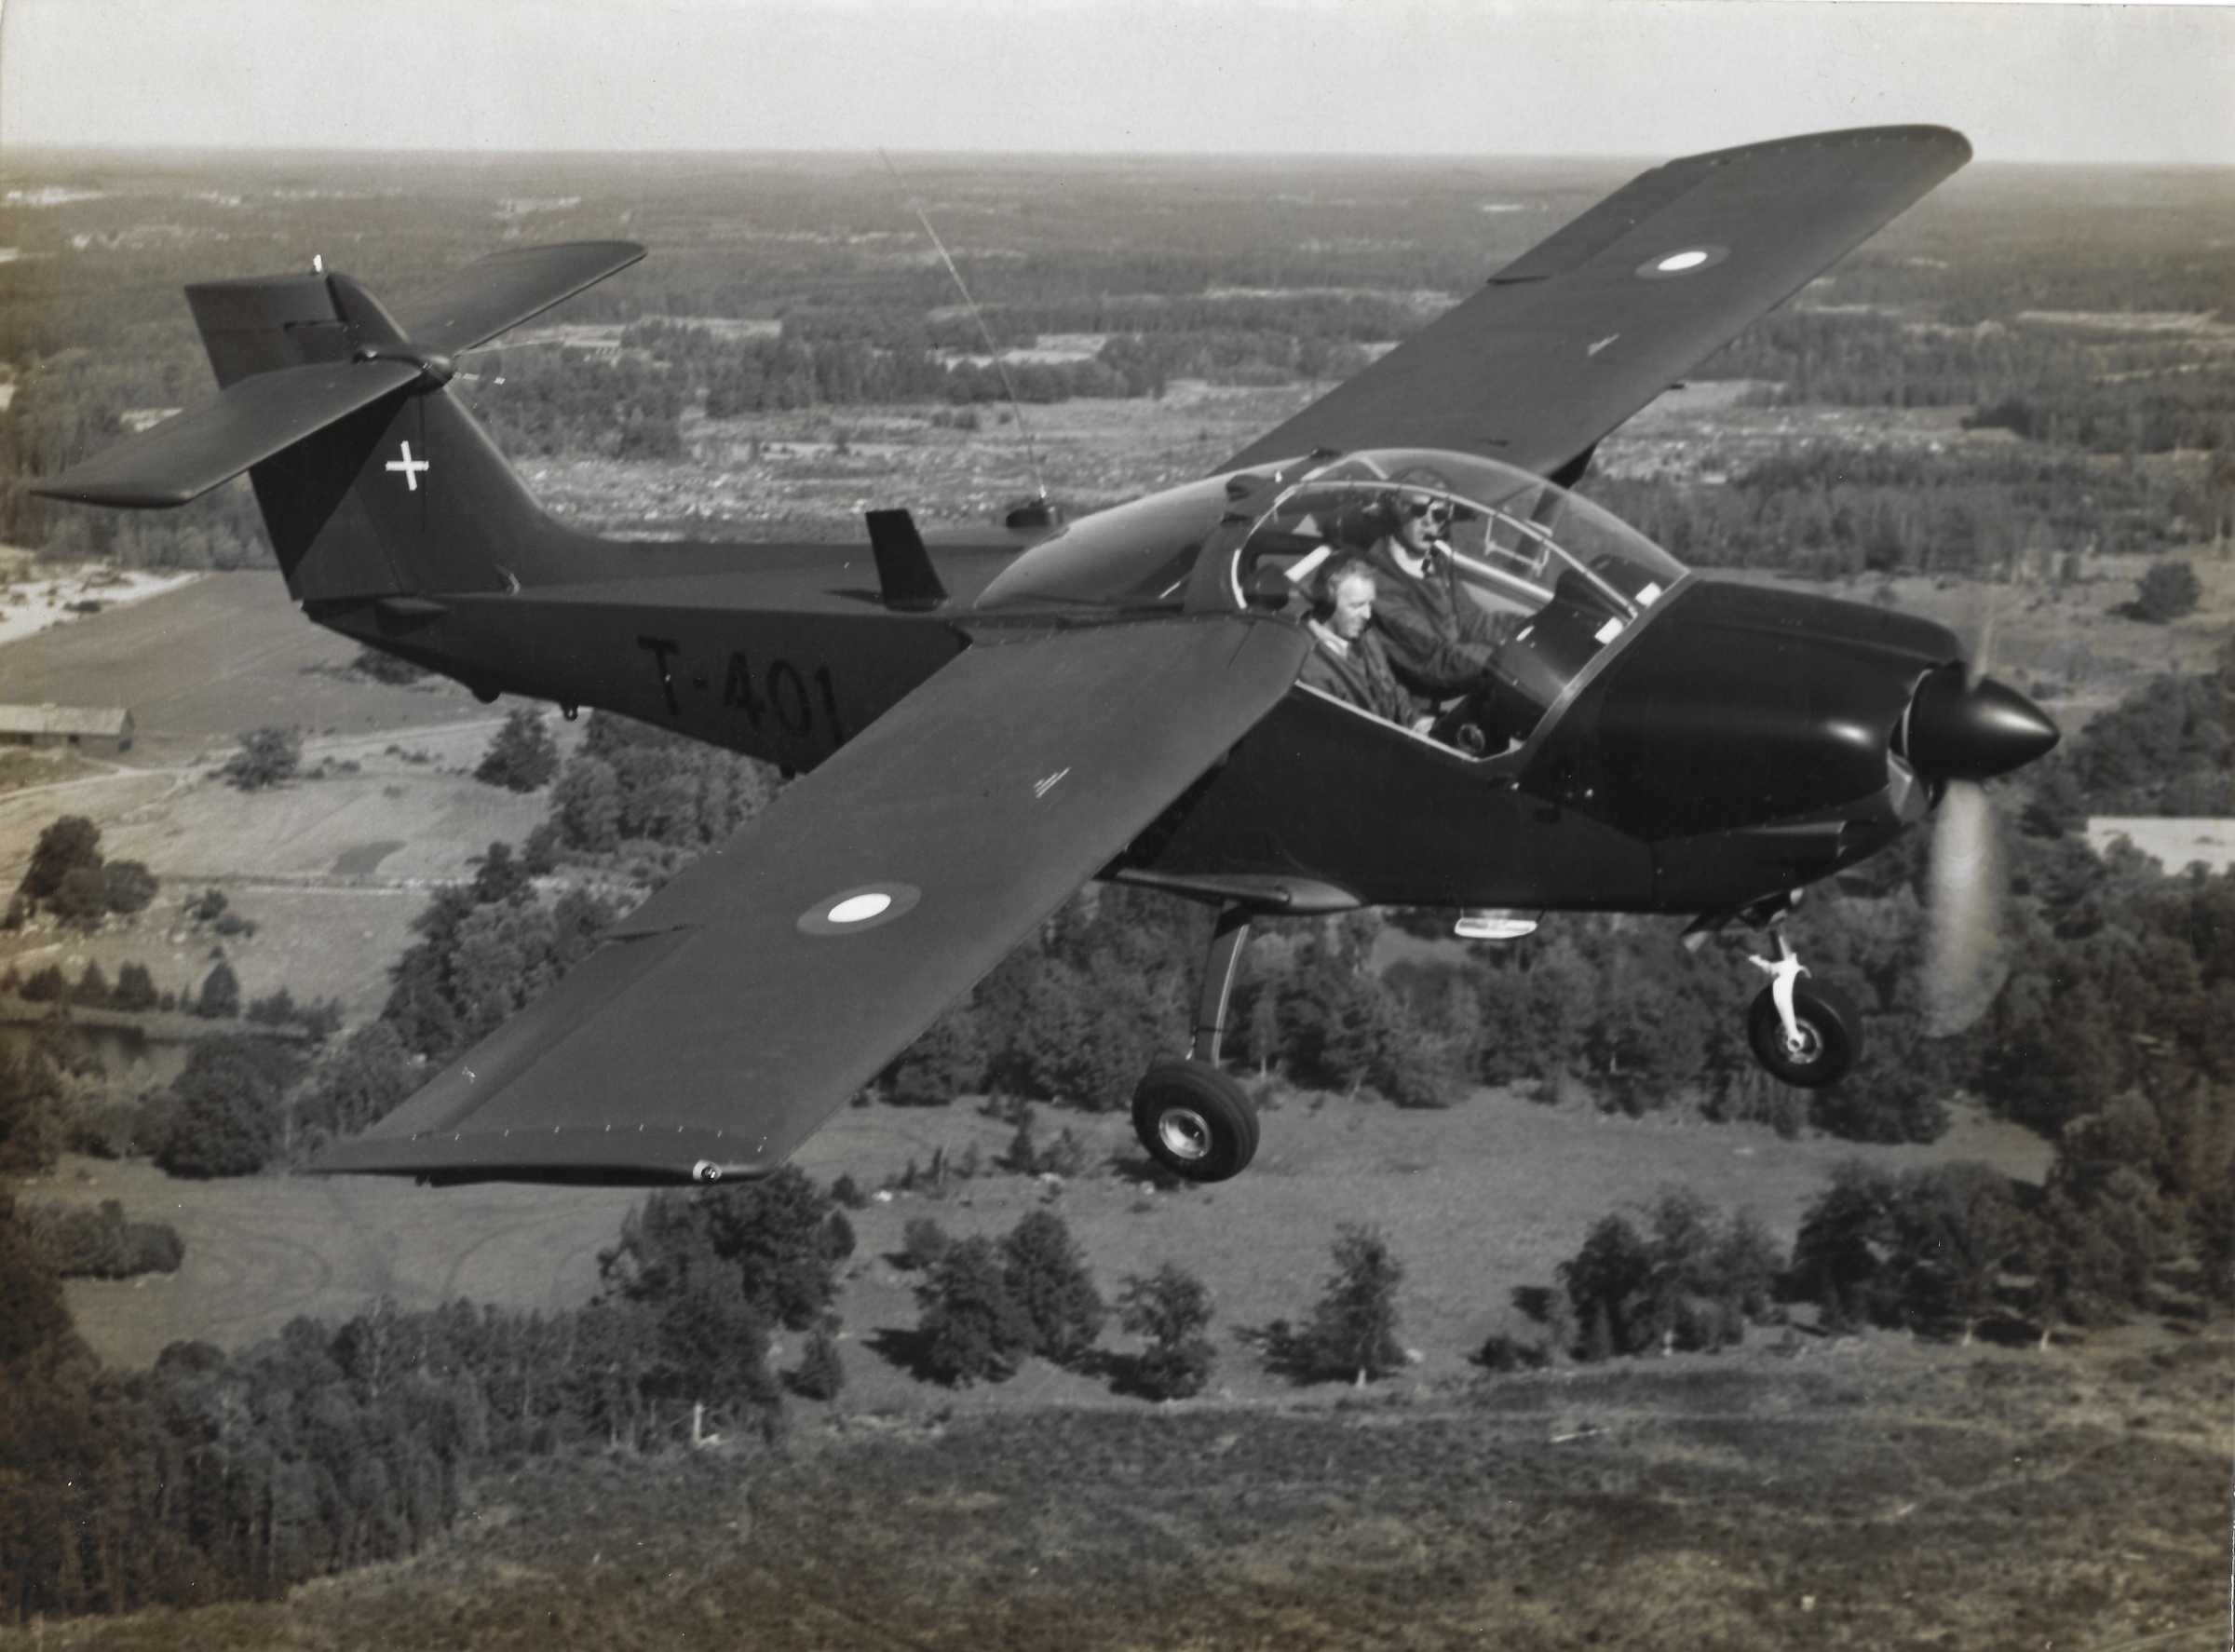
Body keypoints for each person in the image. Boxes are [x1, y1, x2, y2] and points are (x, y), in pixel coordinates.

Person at [1362, 483, 1520, 721]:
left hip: (1449, 688)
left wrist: (1523, 627)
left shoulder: (1434, 560)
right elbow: (1432, 660)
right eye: (1418, 511)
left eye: (1439, 514)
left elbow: (1470, 619)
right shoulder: (1379, 582)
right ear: (1396, 511)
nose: (1429, 523)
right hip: (1410, 709)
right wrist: (1499, 660)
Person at [1297, 557, 1416, 725]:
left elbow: (1393, 690)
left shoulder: (1365, 635)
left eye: (1369, 604)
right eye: (1356, 605)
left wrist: (1415, 721)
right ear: (1327, 603)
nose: (1367, 615)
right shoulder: (1307, 664)